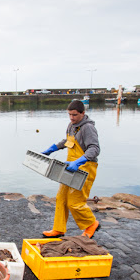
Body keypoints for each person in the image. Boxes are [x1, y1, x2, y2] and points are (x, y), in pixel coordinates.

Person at [41, 99, 100, 239]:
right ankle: (59, 229)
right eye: (69, 115)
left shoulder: (88, 128)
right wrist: (53, 148)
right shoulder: (71, 126)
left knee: (75, 202)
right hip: (69, 168)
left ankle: (92, 224)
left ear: (83, 113)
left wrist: (80, 161)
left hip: (84, 169)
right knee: (61, 198)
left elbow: (95, 149)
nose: (72, 118)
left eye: (74, 115)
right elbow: (68, 142)